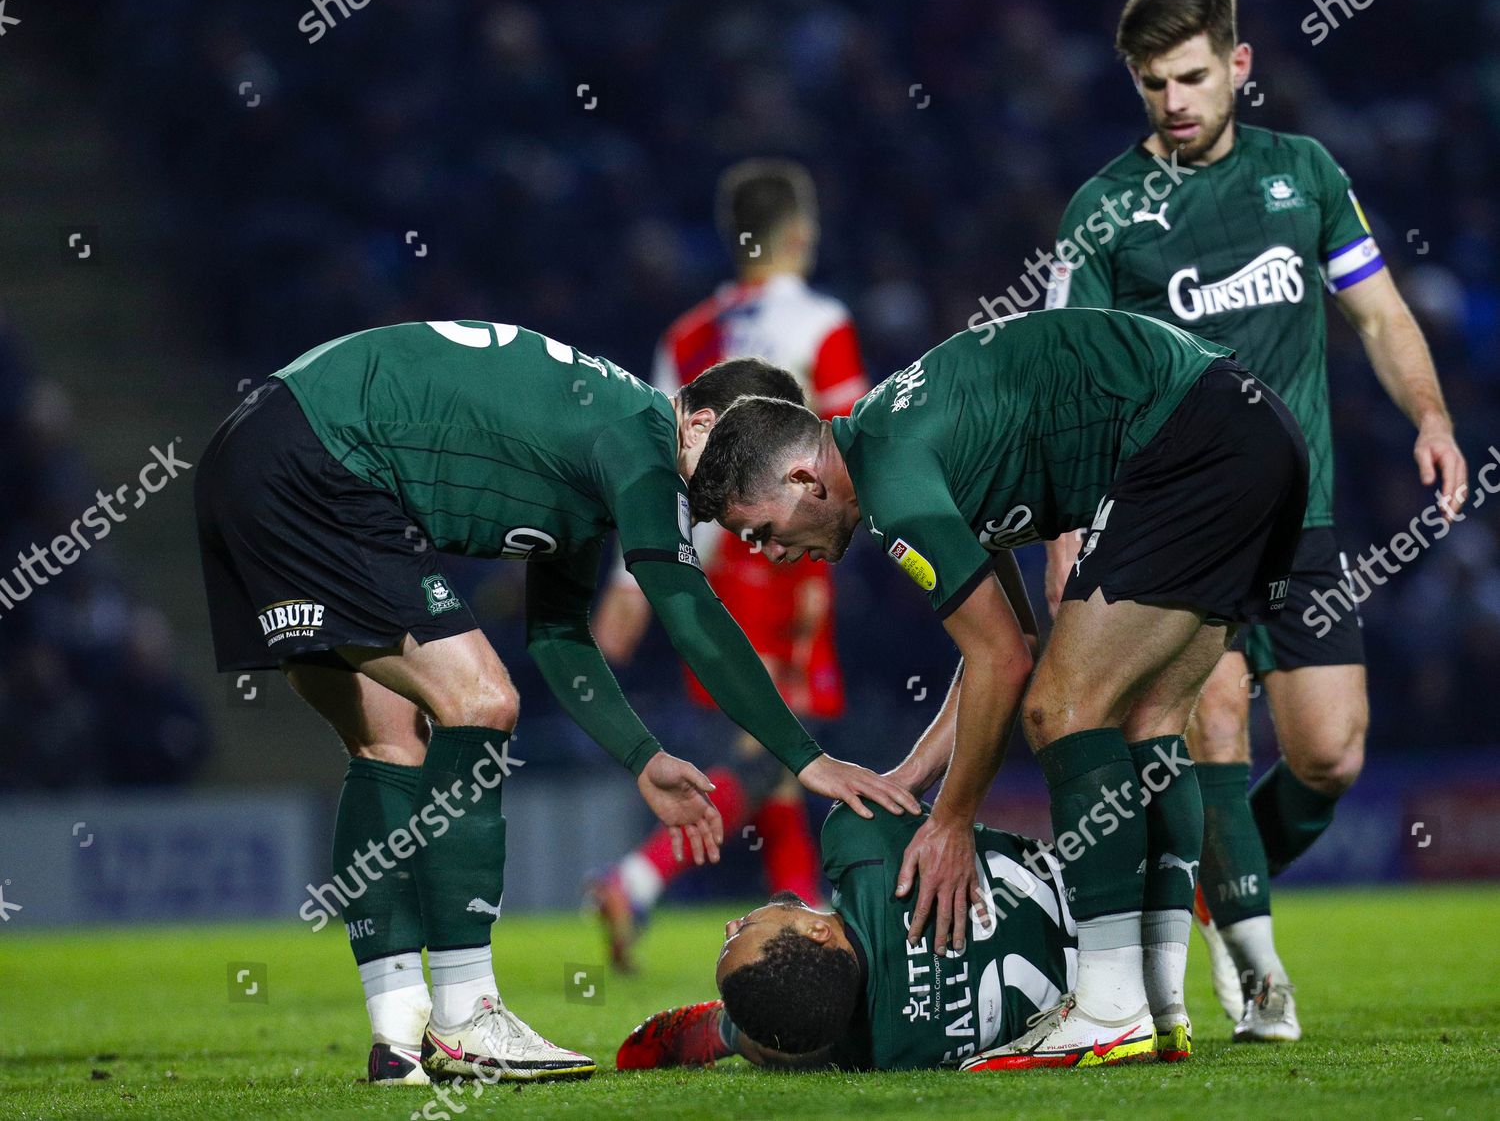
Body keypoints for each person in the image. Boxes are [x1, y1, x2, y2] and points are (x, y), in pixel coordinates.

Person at [193, 321, 918, 1086]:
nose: (729, 510)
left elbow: (558, 637)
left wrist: (641, 755)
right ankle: (471, 1015)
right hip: (321, 459)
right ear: (701, 421)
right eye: (739, 467)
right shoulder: (639, 442)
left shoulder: (589, 453)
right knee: (481, 700)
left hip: (252, 453)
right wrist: (804, 757)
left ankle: (396, 1033)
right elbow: (693, 617)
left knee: (388, 741)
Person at [688, 306, 1309, 1069]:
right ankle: (1158, 999)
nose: (767, 553)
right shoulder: (903, 444)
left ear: (803, 477)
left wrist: (951, 821)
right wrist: (914, 773)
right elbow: (1007, 639)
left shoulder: (898, 489)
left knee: (1064, 710)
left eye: (758, 529)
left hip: (1192, 444)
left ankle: (1111, 1010)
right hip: (1254, 433)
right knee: (1152, 721)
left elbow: (1007, 671)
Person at [1042, 0, 1467, 1040]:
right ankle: (1257, 968)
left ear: (1237, 67)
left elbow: (1376, 315)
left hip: (1303, 515)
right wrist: (1064, 534)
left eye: (1191, 77)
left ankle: (1216, 882)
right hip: (1178, 522)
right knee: (1215, 711)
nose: (1173, 101)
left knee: (1330, 754)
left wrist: (1431, 418)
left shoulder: (1306, 174)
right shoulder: (1103, 215)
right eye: (1151, 85)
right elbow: (1066, 388)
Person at [589, 159, 869, 971]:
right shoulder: (821, 322)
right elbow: (851, 450)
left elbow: (653, 469)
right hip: (787, 558)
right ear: (803, 233)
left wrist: (628, 581)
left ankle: (797, 913)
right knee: (782, 743)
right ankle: (640, 877)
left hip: (709, 570)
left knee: (776, 760)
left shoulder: (685, 337)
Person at [616, 803, 1085, 1072]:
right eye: (741, 932)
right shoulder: (861, 844)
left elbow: (802, 1041)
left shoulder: (878, 1052)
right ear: (816, 931)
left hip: (1127, 985)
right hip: (1108, 887)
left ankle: (727, 1031)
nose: (730, 925)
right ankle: (725, 1028)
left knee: (810, 1047)